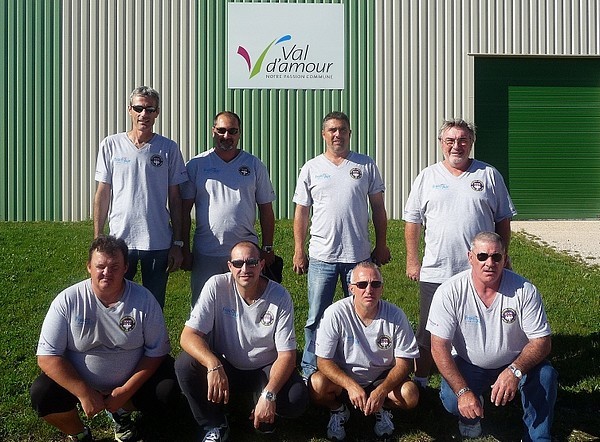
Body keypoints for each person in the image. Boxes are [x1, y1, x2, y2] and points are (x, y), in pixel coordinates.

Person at [30, 235, 179, 442]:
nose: (107, 273)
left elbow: (156, 352)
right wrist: (84, 392)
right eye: (100, 266)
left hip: (129, 384)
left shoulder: (144, 299)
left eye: (114, 267)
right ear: (89, 267)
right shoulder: (68, 300)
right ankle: (79, 433)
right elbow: (47, 357)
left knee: (168, 389)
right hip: (80, 382)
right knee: (42, 394)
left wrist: (125, 392)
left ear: (126, 268)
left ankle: (122, 413)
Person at [403, 118, 517, 388]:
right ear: (441, 144)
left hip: (479, 271)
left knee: (479, 326)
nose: (457, 146)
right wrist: (412, 260)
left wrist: (501, 256)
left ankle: (481, 375)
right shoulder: (427, 177)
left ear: (471, 143)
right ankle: (421, 380)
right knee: (429, 330)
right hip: (437, 269)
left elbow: (503, 221)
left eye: (463, 140)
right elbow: (412, 221)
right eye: (450, 140)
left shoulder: (489, 175)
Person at [428, 232, 558, 440]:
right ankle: (470, 415)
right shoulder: (449, 291)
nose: (489, 263)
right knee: (452, 399)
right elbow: (438, 346)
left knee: (545, 376)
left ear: (505, 259)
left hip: (516, 362)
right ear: (470, 257)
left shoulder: (525, 290)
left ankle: (538, 436)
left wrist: (515, 370)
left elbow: (542, 341)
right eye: (482, 256)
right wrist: (463, 392)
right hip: (469, 363)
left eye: (496, 257)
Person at [175, 241, 308, 442]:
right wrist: (213, 364)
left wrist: (269, 394)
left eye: (251, 262)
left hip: (266, 367)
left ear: (261, 265)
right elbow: (188, 336)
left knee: (296, 399)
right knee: (185, 364)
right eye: (238, 263)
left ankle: (261, 404)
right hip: (226, 365)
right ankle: (213, 423)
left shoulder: (280, 296)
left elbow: (287, 356)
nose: (245, 269)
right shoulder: (216, 286)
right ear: (230, 266)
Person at [293, 111, 391, 379]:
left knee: (361, 313)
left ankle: (358, 366)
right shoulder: (312, 168)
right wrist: (299, 250)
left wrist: (381, 244)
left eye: (342, 130)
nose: (338, 134)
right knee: (317, 316)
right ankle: (310, 368)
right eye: (332, 130)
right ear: (323, 134)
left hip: (358, 257)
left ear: (350, 133)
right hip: (322, 257)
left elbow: (378, 208)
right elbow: (301, 212)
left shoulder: (365, 164)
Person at [94, 86, 188, 309]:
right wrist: (98, 238)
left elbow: (176, 199)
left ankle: (151, 334)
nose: (143, 114)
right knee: (116, 302)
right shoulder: (111, 145)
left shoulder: (168, 148)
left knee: (153, 306)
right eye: (138, 108)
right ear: (130, 110)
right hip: (119, 240)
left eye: (149, 109)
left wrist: (178, 243)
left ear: (157, 113)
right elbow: (102, 193)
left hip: (157, 242)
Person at [309, 261, 420, 441]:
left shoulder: (396, 315)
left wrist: (382, 391)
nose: (369, 290)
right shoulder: (335, 313)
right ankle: (338, 409)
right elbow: (323, 361)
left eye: (375, 284)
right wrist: (350, 385)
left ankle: (382, 407)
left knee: (410, 394)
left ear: (382, 288)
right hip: (344, 379)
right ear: (351, 288)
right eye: (362, 284)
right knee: (316, 385)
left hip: (381, 378)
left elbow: (404, 363)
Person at [181, 111, 276, 306]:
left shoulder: (254, 165)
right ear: (213, 131)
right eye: (221, 130)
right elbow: (183, 211)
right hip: (207, 252)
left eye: (232, 131)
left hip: (245, 255)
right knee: (203, 307)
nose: (227, 136)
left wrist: (267, 247)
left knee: (245, 305)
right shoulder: (197, 165)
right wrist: (183, 248)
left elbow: (266, 209)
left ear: (239, 133)